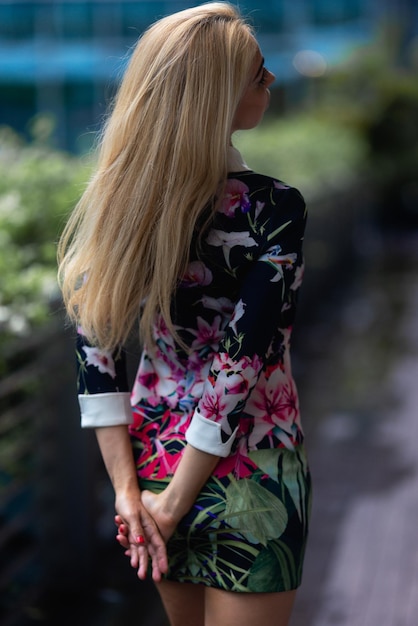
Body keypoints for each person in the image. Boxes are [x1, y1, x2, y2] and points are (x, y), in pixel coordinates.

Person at [57, 3, 311, 625]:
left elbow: (96, 365)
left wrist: (130, 495)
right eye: (258, 74)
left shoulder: (117, 206)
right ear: (216, 95)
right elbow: (240, 365)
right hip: (252, 466)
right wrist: (168, 505)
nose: (271, 82)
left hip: (151, 467)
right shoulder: (272, 209)